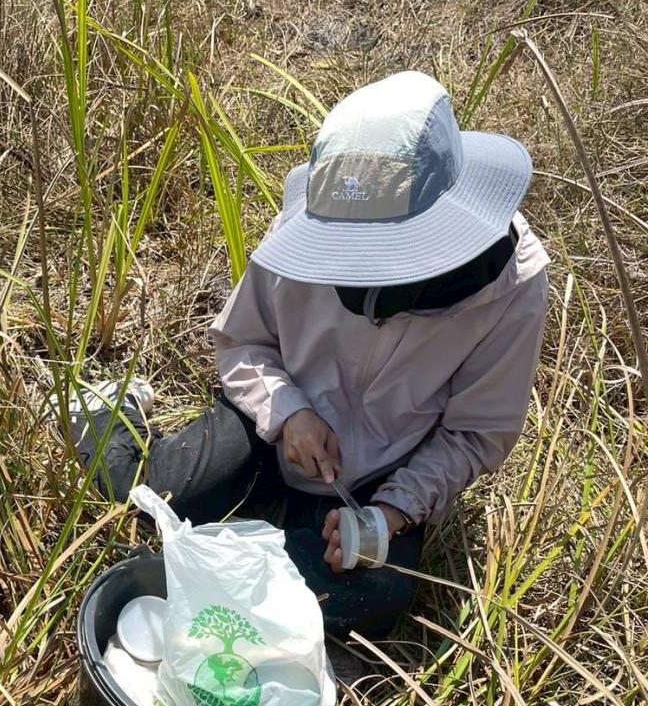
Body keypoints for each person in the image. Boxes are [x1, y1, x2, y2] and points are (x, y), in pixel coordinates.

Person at [70, 71, 549, 640]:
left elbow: (476, 432)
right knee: (148, 500)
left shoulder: (513, 280)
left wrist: (391, 512)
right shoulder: (301, 233)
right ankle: (112, 409)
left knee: (376, 590)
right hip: (274, 429)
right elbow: (244, 341)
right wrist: (290, 412)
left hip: (384, 470)